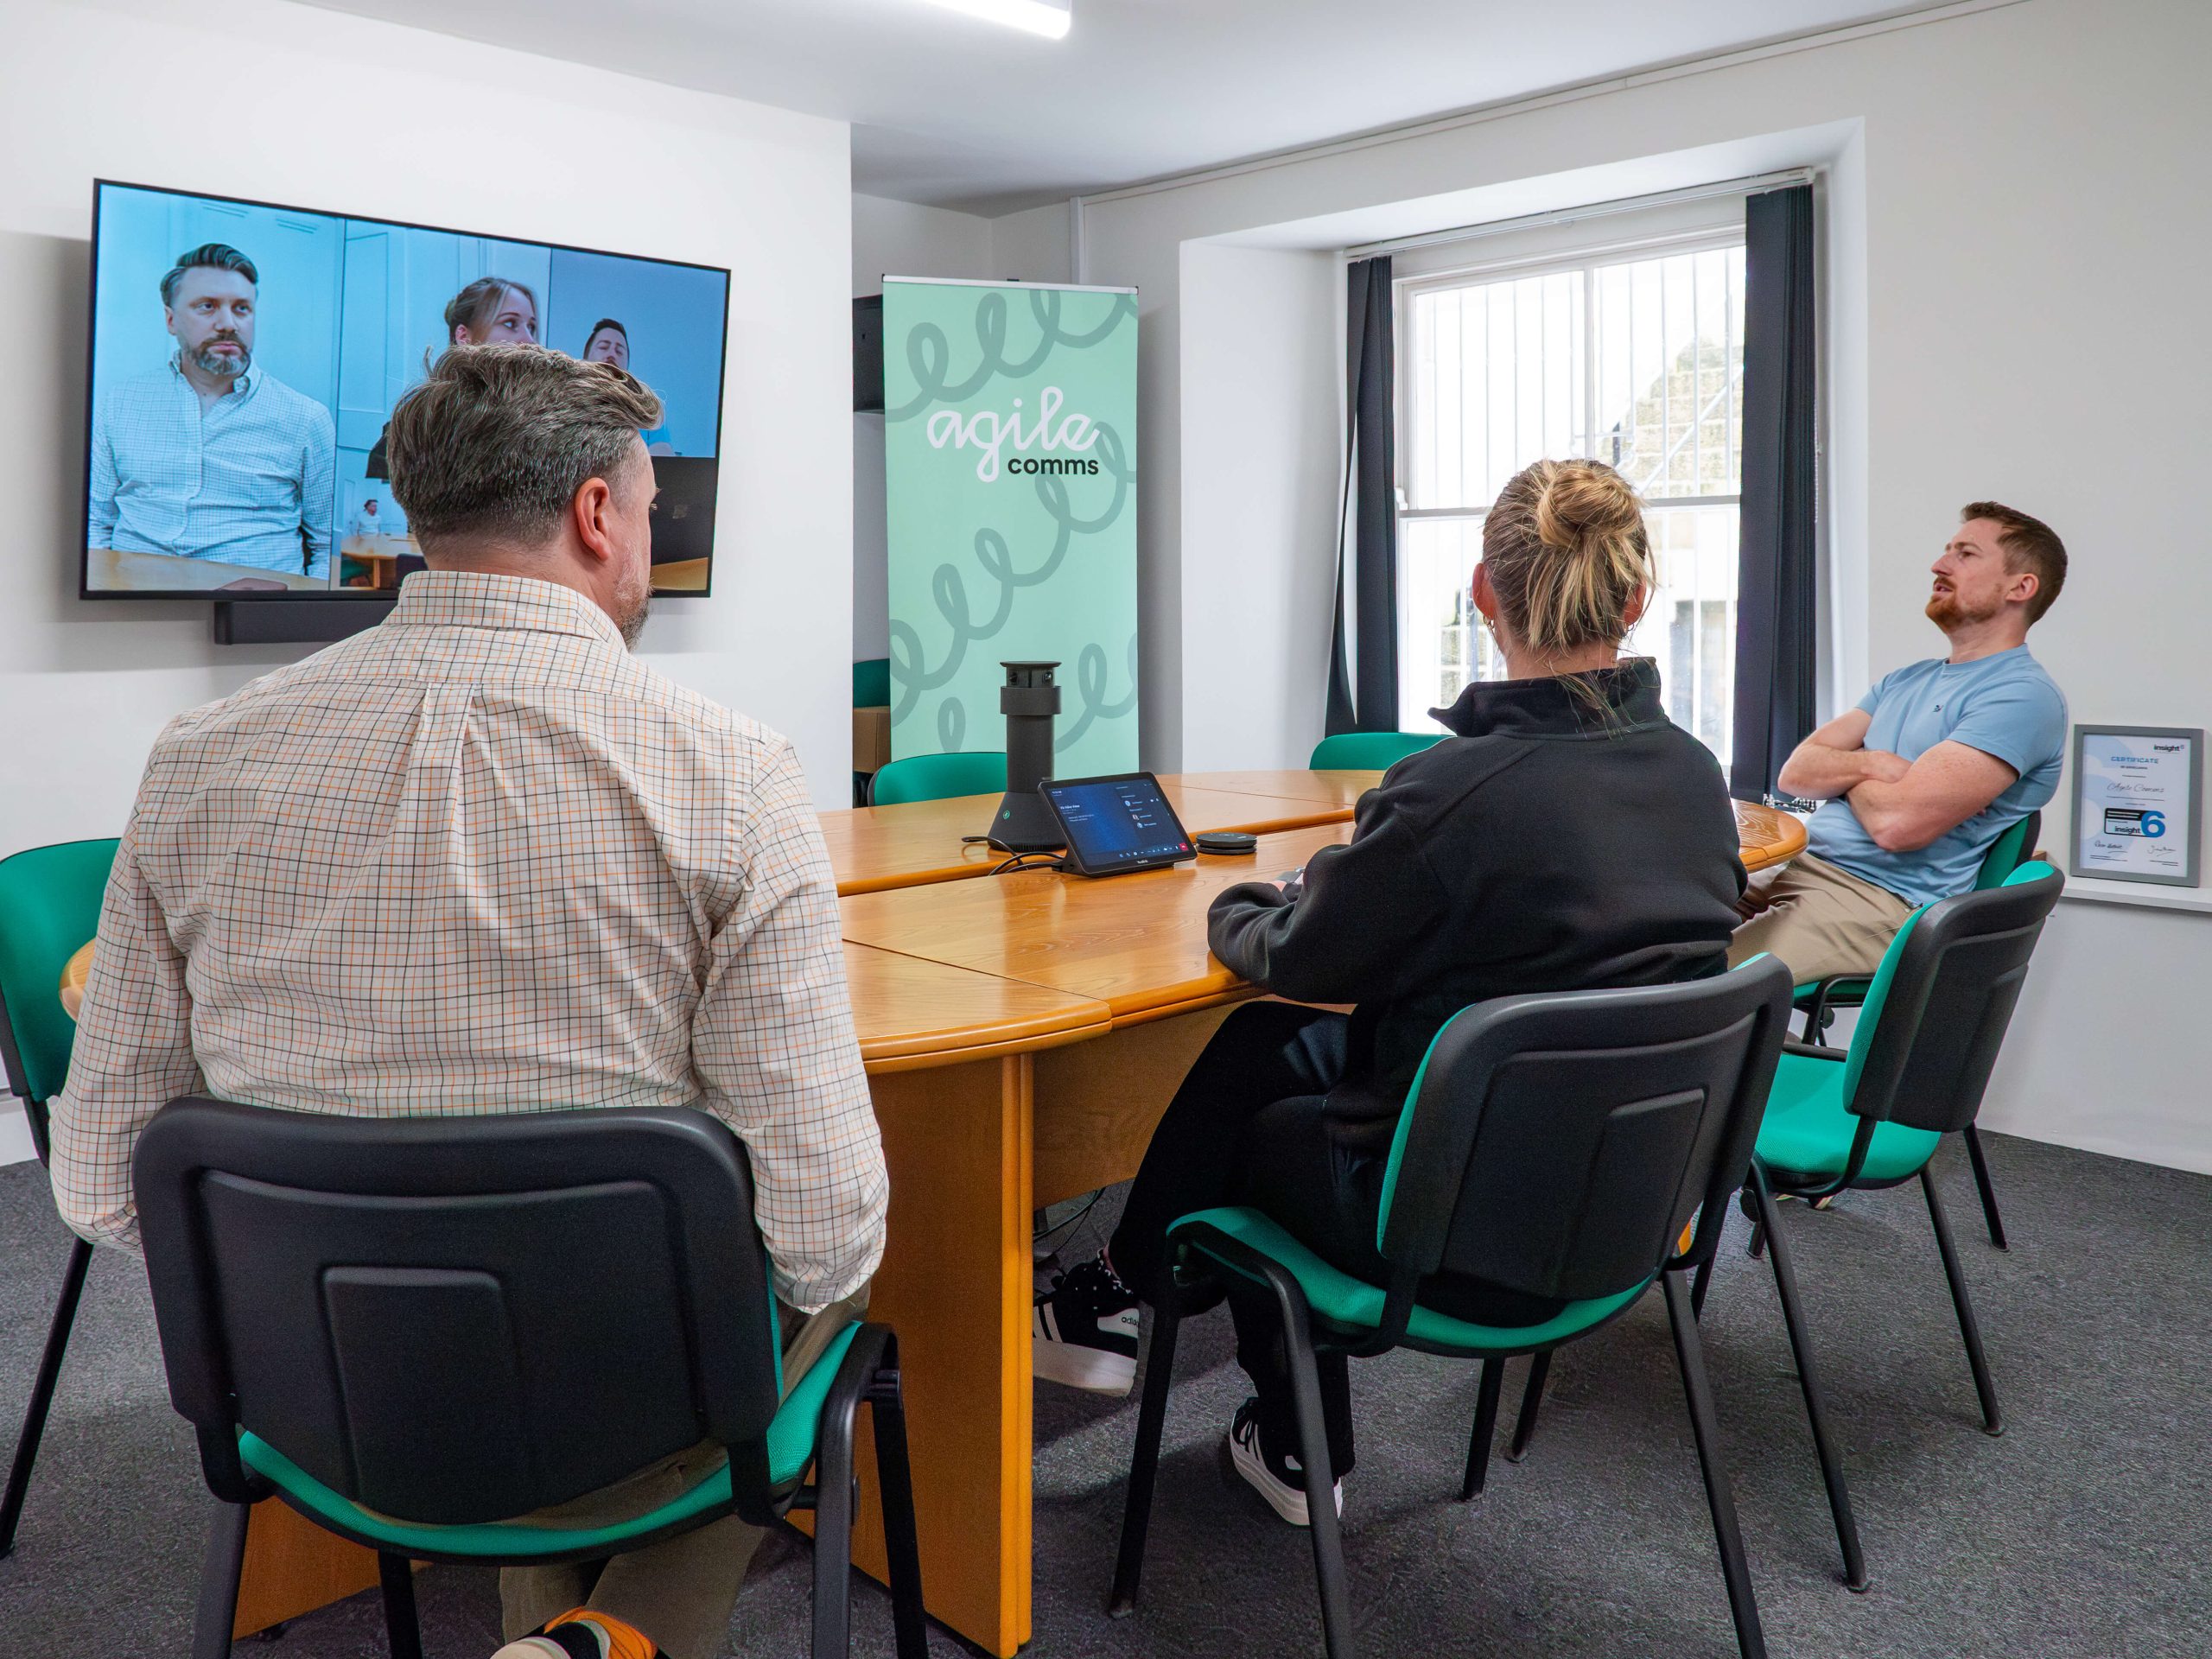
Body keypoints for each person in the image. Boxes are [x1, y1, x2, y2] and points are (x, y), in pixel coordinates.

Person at [52, 344, 887, 1659]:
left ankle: (561, 1630)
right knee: (838, 1259)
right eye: (650, 511)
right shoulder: (731, 773)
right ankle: (607, 1635)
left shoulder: (198, 760)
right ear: (597, 514)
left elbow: (101, 1185)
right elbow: (829, 1228)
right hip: (633, 1409)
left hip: (324, 1404)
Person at [1033, 459, 1745, 1526]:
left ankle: (1273, 1421)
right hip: (1632, 1202)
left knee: (1255, 1137)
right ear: (1636, 600)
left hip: (1448, 1230)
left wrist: (1244, 904)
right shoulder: (1695, 774)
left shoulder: (1449, 792)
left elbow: (1299, 958)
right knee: (1262, 1049)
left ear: (1482, 592)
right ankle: (1113, 1294)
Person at [1728, 502, 2069, 987]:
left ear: (2021, 587)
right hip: (1800, 864)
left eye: (1965, 554)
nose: (1939, 564)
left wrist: (1846, 772)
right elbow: (1796, 773)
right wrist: (1880, 764)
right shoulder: (1905, 680)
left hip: (1876, 898)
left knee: (1695, 986)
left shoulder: (2022, 698)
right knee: (1641, 941)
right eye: (1946, 550)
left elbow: (1896, 825)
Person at [86, 242, 335, 576]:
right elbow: (95, 523)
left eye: (242, 308)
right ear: (171, 319)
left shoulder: (306, 418)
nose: (228, 323)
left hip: (256, 611)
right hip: (134, 600)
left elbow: (326, 547)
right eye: (207, 306)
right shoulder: (119, 403)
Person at [363, 276, 540, 480]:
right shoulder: (416, 427)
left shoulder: (540, 423)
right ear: (464, 337)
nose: (530, 341)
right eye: (510, 323)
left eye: (532, 327)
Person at [583, 318, 677, 454]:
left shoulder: (649, 411)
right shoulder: (562, 403)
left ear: (627, 366)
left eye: (619, 351)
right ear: (584, 358)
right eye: (603, 347)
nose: (611, 354)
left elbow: (663, 455)